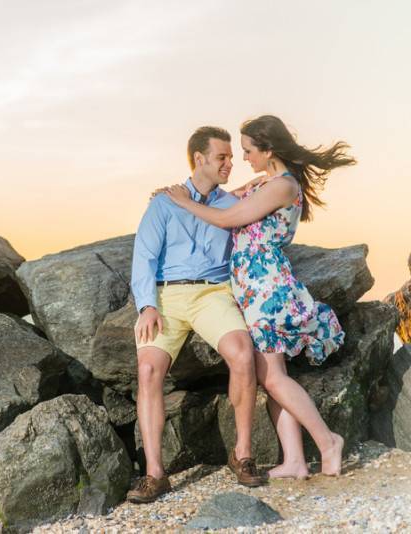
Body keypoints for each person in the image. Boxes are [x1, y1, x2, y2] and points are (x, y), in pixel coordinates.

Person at [163, 115, 356, 479]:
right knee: (273, 375)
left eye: (250, 151)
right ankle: (295, 461)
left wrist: (182, 201)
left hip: (267, 286)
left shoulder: (282, 186)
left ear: (269, 150)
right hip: (252, 286)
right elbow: (230, 202)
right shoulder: (268, 182)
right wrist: (230, 192)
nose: (244, 158)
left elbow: (228, 218)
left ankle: (329, 441)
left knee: (272, 378)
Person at [127, 126, 265, 505]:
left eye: (232, 157)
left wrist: (236, 191)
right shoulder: (162, 204)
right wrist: (147, 305)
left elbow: (270, 178)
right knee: (148, 369)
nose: (230, 163)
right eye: (222, 157)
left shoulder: (232, 203)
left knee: (241, 353)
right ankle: (155, 474)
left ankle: (242, 453)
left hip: (213, 292)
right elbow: (144, 257)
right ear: (199, 159)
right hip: (166, 295)